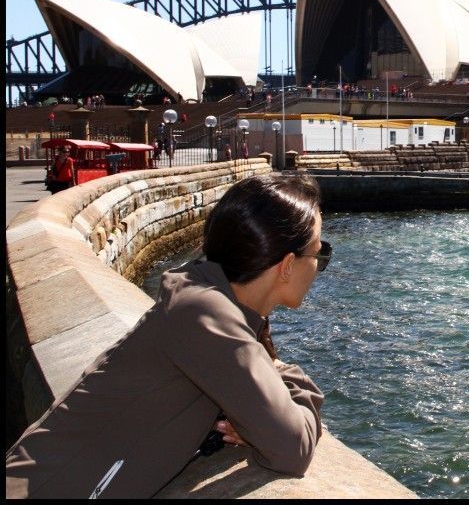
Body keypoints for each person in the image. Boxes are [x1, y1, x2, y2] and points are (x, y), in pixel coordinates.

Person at [6, 174, 326, 499]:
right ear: (287, 265)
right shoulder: (208, 316)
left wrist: (259, 417)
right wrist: (298, 389)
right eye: (319, 252)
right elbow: (292, 448)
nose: (319, 264)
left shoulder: (204, 299)